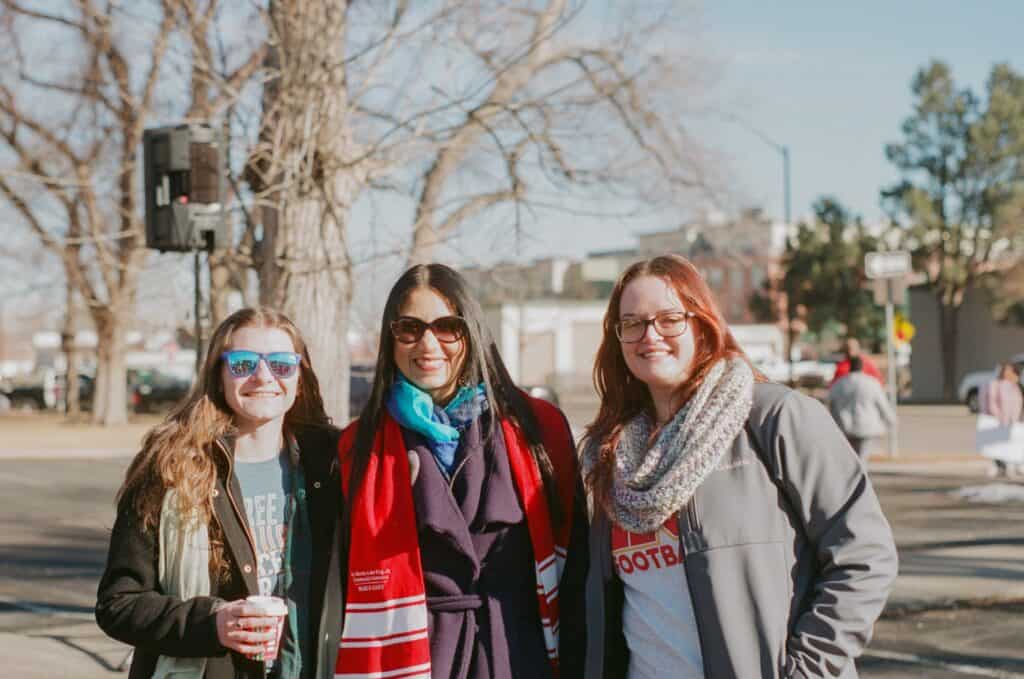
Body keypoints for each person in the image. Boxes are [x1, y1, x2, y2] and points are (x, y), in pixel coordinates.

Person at [580, 255, 897, 679]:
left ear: (703, 323)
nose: (649, 335)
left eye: (669, 319)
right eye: (632, 323)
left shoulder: (776, 418)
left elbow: (864, 555)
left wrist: (807, 671)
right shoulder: (613, 454)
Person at [335, 263, 587, 679]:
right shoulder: (357, 448)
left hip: (521, 651)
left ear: (471, 332)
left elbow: (577, 563)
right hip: (419, 656)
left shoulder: (540, 429)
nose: (428, 344)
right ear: (390, 339)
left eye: (447, 327)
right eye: (409, 328)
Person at [96, 308, 343, 679]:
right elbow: (119, 603)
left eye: (281, 364)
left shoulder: (330, 465)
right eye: (243, 364)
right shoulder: (170, 467)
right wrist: (212, 623)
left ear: (301, 377)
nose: (263, 377)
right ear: (218, 374)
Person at [828, 356, 896, 461]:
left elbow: (832, 404)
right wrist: (891, 421)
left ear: (849, 366)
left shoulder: (839, 383)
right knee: (862, 458)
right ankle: (860, 475)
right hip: (867, 428)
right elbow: (882, 404)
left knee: (852, 459)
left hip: (846, 427)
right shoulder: (872, 383)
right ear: (862, 367)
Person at [978, 362, 1024, 478]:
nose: (1007, 373)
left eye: (1010, 371)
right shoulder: (997, 384)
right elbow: (992, 401)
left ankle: (1014, 466)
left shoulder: (1017, 386)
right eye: (1005, 370)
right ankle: (1000, 466)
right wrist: (998, 417)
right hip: (1001, 420)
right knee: (999, 445)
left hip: (1016, 420)